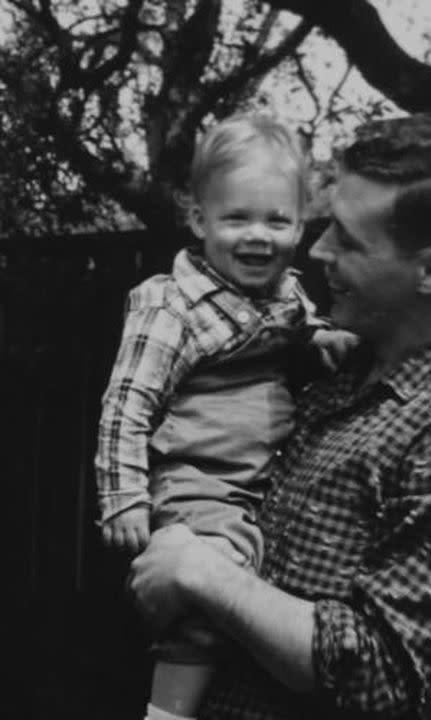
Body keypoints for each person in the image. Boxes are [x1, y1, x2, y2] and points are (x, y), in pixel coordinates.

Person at [129, 112, 431, 720]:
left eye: (348, 240)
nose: (316, 248)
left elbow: (391, 679)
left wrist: (206, 576)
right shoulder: (338, 361)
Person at [95, 113, 356, 720]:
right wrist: (125, 499)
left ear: (300, 224)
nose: (257, 236)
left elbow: (302, 334)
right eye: (236, 218)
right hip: (197, 477)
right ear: (199, 220)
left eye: (276, 219)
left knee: (251, 592)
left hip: (259, 478)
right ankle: (167, 714)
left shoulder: (288, 294)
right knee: (208, 583)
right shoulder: (172, 305)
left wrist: (323, 343)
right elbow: (126, 404)